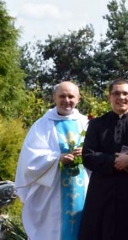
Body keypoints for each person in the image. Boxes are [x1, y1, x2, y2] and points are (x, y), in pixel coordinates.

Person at [78, 79, 128, 240]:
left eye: (125, 93)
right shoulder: (96, 124)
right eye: (116, 93)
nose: (121, 97)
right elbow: (88, 156)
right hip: (103, 190)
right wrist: (114, 160)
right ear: (109, 97)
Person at [15, 81, 90, 240]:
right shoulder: (41, 125)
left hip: (83, 189)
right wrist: (57, 159)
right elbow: (30, 159)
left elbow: (101, 152)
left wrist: (87, 153)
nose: (67, 100)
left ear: (78, 99)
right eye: (62, 96)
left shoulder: (87, 124)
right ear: (54, 97)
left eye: (71, 96)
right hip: (52, 192)